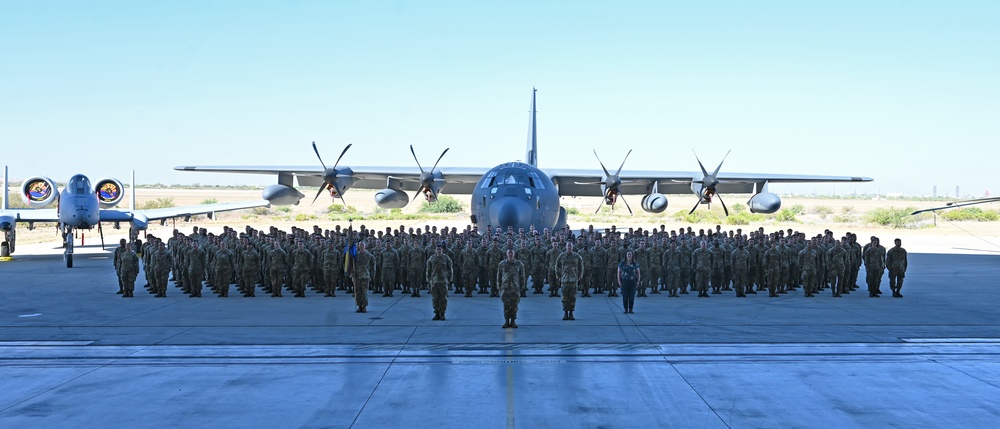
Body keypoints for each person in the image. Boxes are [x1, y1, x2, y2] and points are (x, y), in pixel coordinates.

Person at [497, 248, 526, 328]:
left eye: (511, 253)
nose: (510, 254)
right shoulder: (502, 264)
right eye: (509, 253)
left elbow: (522, 276)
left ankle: (513, 321)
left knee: (514, 306)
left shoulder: (519, 264)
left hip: (515, 288)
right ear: (506, 254)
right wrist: (499, 286)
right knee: (506, 306)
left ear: (514, 254)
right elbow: (499, 276)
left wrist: (522, 286)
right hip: (505, 288)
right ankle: (506, 321)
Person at [555, 241, 584, 320]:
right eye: (568, 246)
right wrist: (558, 276)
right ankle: (565, 313)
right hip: (564, 279)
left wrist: (579, 277)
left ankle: (571, 313)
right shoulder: (561, 256)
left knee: (572, 297)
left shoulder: (577, 256)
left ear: (572, 247)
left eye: (570, 246)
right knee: (565, 297)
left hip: (573, 279)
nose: (569, 247)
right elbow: (557, 266)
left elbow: (581, 267)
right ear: (566, 246)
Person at [426, 243, 454, 320]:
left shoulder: (446, 258)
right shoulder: (432, 258)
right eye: (437, 249)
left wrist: (450, 279)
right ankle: (436, 313)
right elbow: (428, 270)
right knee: (435, 299)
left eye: (440, 249)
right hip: (434, 282)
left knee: (443, 299)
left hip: (443, 281)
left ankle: (442, 313)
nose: (438, 250)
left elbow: (450, 269)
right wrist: (428, 280)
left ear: (442, 250)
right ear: (435, 250)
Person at [352, 241, 375, 312]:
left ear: (365, 245)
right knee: (358, 292)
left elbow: (373, 266)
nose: (361, 246)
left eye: (362, 244)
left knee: (364, 292)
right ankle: (359, 306)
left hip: (365, 276)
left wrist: (372, 275)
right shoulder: (356, 255)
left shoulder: (369, 255)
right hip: (357, 276)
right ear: (358, 246)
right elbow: (353, 266)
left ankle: (364, 306)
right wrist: (353, 275)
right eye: (360, 245)